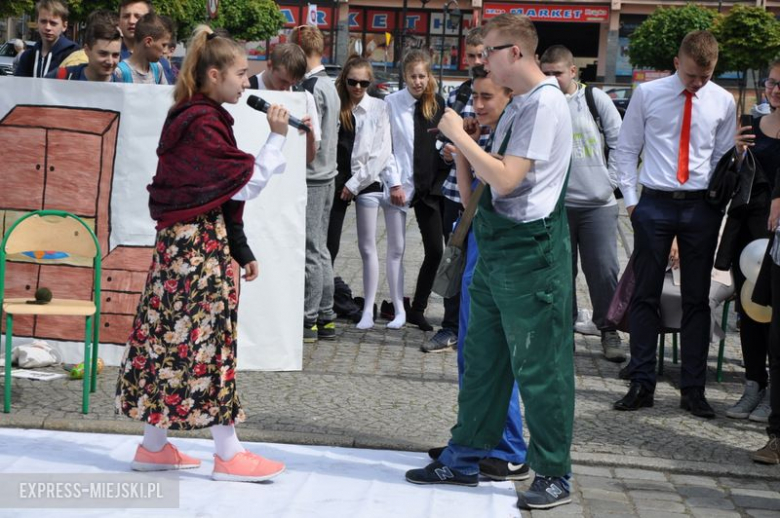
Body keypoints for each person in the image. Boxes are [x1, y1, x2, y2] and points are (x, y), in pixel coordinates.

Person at [405, 14, 575, 511]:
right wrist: (466, 142)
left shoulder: (544, 104)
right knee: (483, 363)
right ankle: (463, 458)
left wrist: (461, 135)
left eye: (489, 53)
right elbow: (481, 187)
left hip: (531, 252)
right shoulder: (522, 104)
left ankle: (554, 472)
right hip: (500, 246)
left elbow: (504, 181)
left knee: (540, 368)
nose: (481, 62)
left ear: (516, 54)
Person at [115, 25, 291, 483]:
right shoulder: (202, 122)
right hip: (195, 251)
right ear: (214, 75)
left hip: (186, 247)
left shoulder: (191, 115)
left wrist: (240, 246)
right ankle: (228, 453)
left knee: (170, 340)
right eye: (239, 73)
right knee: (208, 344)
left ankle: (153, 446)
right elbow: (243, 182)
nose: (246, 82)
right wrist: (276, 138)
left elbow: (218, 193)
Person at [613, 31, 736, 418]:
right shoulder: (649, 94)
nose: (698, 84)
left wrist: (717, 207)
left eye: (706, 76)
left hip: (701, 207)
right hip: (655, 203)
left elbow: (722, 159)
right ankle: (642, 382)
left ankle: (693, 389)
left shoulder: (722, 101)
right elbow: (626, 149)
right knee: (646, 294)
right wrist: (633, 204)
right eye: (692, 76)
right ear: (677, 61)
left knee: (697, 300)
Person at [428, 64, 529, 481]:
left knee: (492, 354)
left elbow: (503, 184)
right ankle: (477, 439)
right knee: (473, 351)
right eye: (475, 96)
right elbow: (469, 197)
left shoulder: (515, 134)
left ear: (509, 96)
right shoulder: (492, 132)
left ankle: (506, 447)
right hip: (477, 240)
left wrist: (464, 141)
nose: (478, 104)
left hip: (502, 248)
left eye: (487, 97)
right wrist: (463, 150)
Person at [539, 45, 625, 362]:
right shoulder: (540, 103)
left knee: (603, 270)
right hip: (557, 206)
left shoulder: (594, 99)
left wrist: (610, 184)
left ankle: (609, 329)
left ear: (572, 71)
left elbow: (622, 143)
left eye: (557, 73)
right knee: (561, 273)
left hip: (598, 206)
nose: (551, 79)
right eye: (546, 73)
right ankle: (565, 332)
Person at [719, 61, 780, 423]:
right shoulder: (751, 126)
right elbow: (731, 177)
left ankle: (775, 394)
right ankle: (754, 383)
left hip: (778, 235)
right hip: (748, 233)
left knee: (776, 318)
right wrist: (737, 153)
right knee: (750, 312)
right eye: (772, 83)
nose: (775, 90)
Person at [425, 27, 484, 352]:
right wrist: (446, 150)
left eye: (481, 55)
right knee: (454, 259)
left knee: (481, 264)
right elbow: (440, 137)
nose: (476, 61)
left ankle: (475, 327)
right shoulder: (460, 94)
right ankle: (450, 326)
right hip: (454, 190)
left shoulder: (501, 93)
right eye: (471, 55)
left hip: (486, 191)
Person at [382, 49, 450, 331]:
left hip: (428, 187)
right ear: (404, 76)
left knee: (436, 250)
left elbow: (443, 142)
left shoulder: (437, 104)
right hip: (399, 186)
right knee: (396, 250)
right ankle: (398, 307)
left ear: (429, 76)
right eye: (413, 75)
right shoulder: (391, 103)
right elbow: (386, 147)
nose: (418, 81)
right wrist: (394, 183)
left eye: (423, 75)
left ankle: (418, 307)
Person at [330, 57, 391, 329]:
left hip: (366, 180)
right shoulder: (336, 104)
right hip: (336, 178)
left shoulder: (378, 107)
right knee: (329, 243)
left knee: (367, 247)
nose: (357, 87)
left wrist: (353, 184)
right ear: (344, 79)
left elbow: (381, 152)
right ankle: (325, 300)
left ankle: (368, 307)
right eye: (352, 81)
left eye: (364, 83)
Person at [290, 25, 341, 342]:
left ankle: (309, 319)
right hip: (328, 174)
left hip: (313, 176)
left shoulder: (310, 87)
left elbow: (313, 139)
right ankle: (326, 315)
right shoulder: (330, 84)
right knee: (320, 249)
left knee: (311, 249)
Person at [248, 43, 319, 167]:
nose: (286, 88)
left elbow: (309, 159)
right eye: (283, 80)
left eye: (293, 83)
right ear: (270, 65)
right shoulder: (246, 90)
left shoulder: (305, 97)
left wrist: (310, 137)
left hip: (286, 182)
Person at [14, 0, 79, 78]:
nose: (48, 27)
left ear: (64, 26)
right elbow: (19, 87)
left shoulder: (73, 55)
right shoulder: (27, 56)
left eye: (53, 23)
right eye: (43, 21)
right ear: (37, 22)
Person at [48, 16, 121, 82]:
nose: (110, 61)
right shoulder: (61, 77)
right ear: (87, 50)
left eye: (115, 55)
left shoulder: (123, 89)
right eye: (103, 54)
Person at [117, 0, 175, 81]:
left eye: (138, 16)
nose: (131, 21)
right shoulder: (111, 59)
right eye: (126, 16)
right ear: (118, 21)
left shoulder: (161, 65)